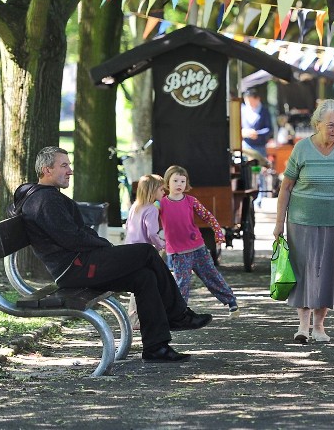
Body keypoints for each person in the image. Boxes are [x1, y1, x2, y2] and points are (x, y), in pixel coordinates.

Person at [15, 147, 211, 363]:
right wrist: (105, 245)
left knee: (144, 277)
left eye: (69, 165)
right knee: (146, 251)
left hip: (80, 263)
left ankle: (156, 347)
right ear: (46, 170)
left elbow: (75, 235)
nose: (70, 171)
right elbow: (71, 238)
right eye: (64, 166)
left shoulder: (45, 197)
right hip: (75, 268)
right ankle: (179, 314)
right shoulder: (45, 201)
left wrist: (102, 247)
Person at [272, 99, 334, 343]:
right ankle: (302, 327)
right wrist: (278, 222)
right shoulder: (302, 149)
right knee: (305, 272)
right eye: (331, 125)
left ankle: (319, 326)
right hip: (302, 220)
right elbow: (285, 188)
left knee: (327, 273)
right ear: (317, 124)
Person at [160, 165, 239, 315]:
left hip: (198, 248)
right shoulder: (161, 204)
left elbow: (208, 216)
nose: (179, 184)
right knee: (182, 283)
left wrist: (218, 232)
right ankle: (179, 313)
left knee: (211, 275)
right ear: (167, 182)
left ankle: (231, 301)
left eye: (182, 181)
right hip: (178, 252)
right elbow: (148, 215)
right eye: (175, 180)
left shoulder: (191, 201)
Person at [124, 174, 167, 329]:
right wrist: (161, 245)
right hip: (142, 252)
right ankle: (139, 318)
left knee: (137, 284)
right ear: (153, 190)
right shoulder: (151, 209)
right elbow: (152, 233)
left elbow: (128, 227)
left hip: (129, 250)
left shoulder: (134, 207)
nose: (164, 192)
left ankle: (134, 318)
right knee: (148, 283)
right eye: (162, 189)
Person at [241, 89, 273, 158]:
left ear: (257, 99)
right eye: (247, 102)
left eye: (251, 101)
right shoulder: (242, 110)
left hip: (260, 146)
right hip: (246, 146)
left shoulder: (264, 111)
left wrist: (257, 133)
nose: (249, 104)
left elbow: (269, 129)